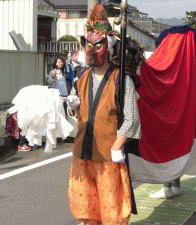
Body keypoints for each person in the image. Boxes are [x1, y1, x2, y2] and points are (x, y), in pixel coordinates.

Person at [67, 3, 141, 225]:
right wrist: (73, 106)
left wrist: (119, 144)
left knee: (112, 207)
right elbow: (77, 113)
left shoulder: (121, 79)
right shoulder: (80, 77)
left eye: (97, 45)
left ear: (108, 48)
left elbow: (132, 117)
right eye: (88, 44)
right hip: (83, 151)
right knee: (86, 206)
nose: (91, 49)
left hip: (109, 153)